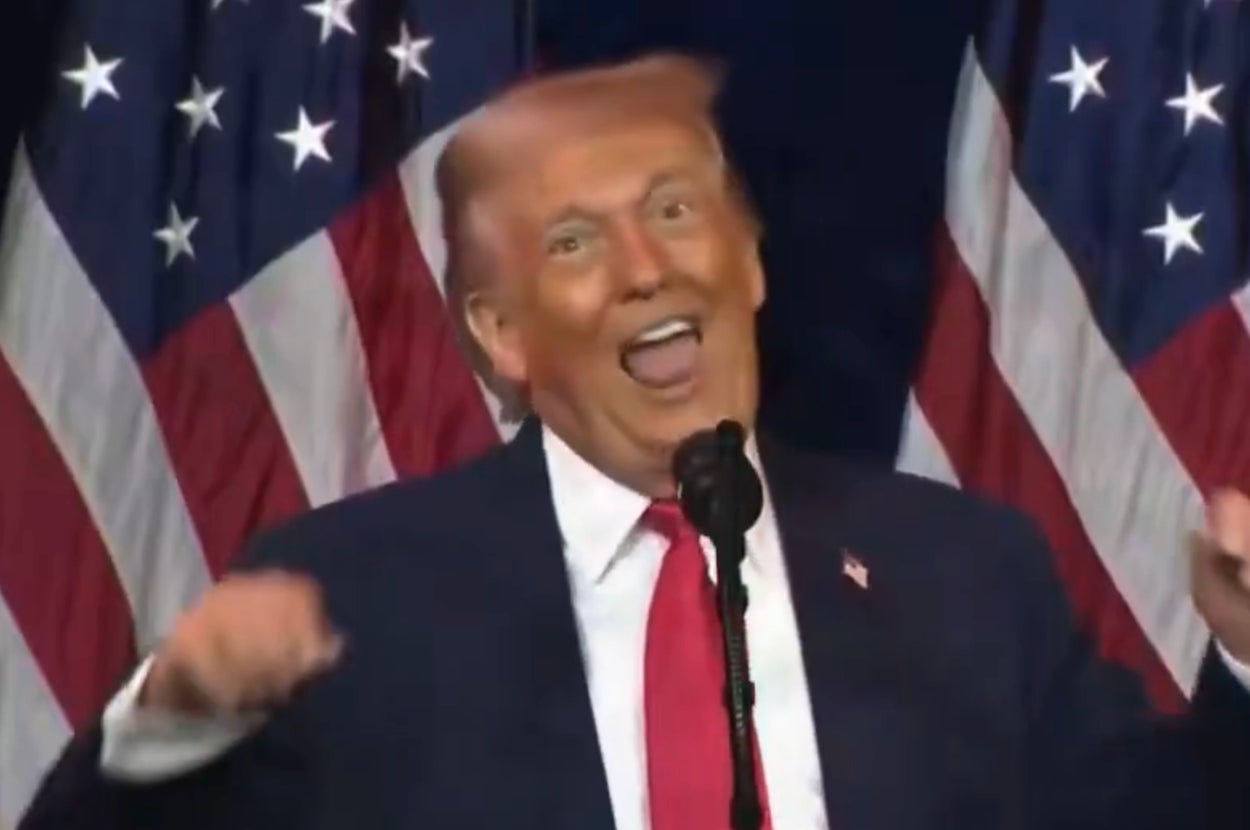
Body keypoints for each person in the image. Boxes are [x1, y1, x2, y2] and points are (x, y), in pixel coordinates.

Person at [19, 53, 1250, 830]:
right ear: (500, 334)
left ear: (750, 262)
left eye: (673, 210)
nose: (645, 267)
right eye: (572, 242)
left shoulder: (965, 575)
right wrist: (169, 710)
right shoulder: (356, 596)